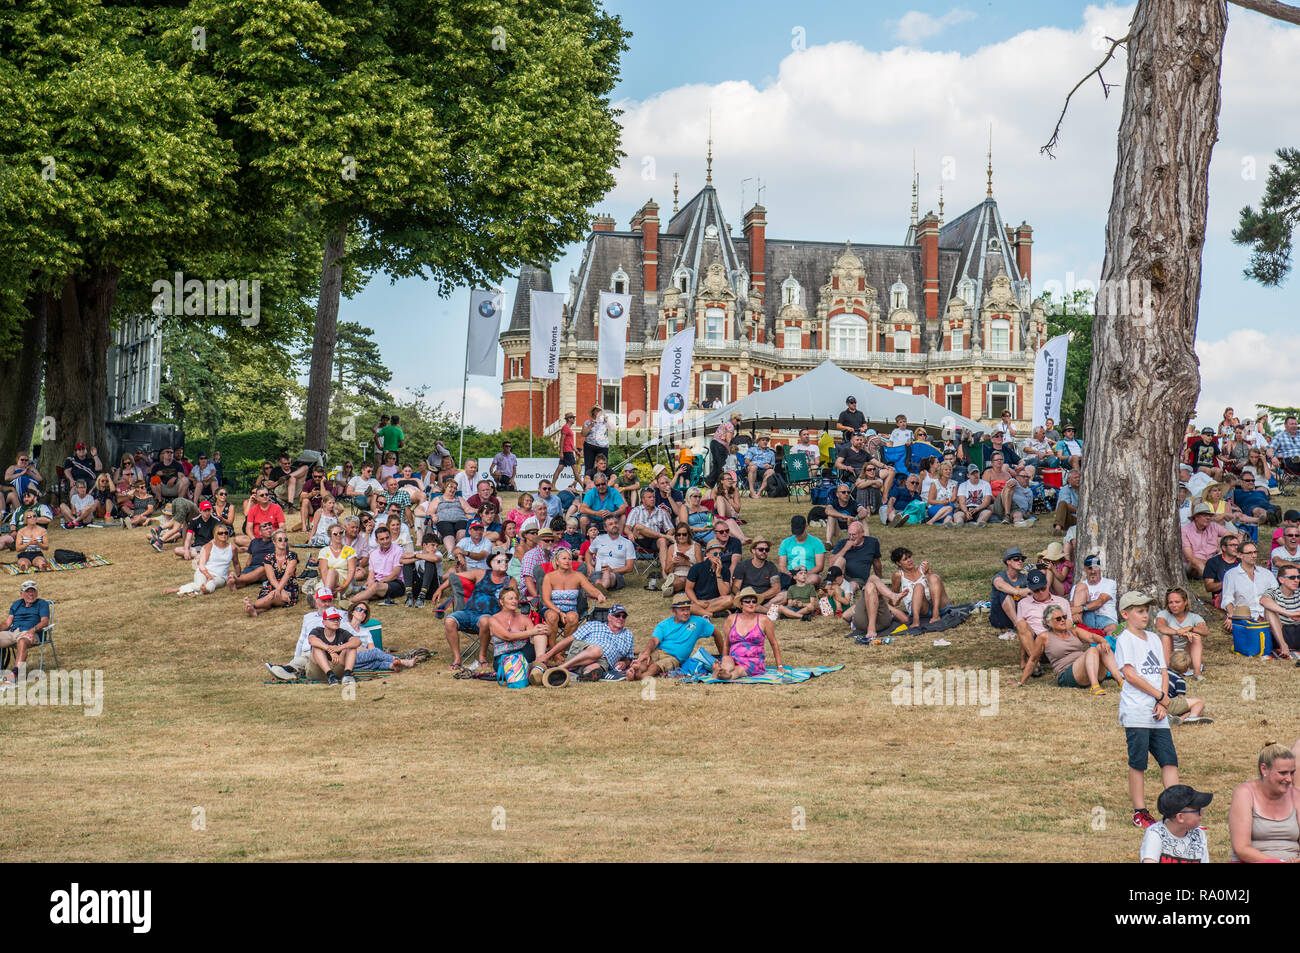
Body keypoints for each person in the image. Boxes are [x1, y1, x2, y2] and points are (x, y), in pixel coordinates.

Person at [1113, 590, 1179, 830]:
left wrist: (1162, 702)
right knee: (1138, 762)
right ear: (1125, 614)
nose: (1145, 615)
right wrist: (1159, 696)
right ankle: (1140, 811)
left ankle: (1176, 811)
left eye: (1146, 610)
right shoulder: (1124, 640)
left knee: (1169, 760)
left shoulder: (1153, 638)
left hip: (1157, 712)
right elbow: (1129, 675)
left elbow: (1163, 670)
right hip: (1137, 712)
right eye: (1139, 611)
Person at [444, 551, 515, 671]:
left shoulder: (509, 581)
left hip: (490, 616)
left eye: (506, 561)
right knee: (450, 620)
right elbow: (456, 577)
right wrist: (440, 589)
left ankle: (482, 655)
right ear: (491, 564)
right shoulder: (481, 574)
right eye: (499, 561)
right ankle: (457, 658)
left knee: (485, 621)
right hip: (468, 612)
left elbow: (513, 598)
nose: (504, 563)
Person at [1229, 742, 1300, 862]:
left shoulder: (1296, 796)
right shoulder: (1245, 793)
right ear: (1264, 769)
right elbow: (1241, 848)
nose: (1289, 779)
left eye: (1292, 773)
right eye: (1283, 773)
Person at [626, 595, 719, 680]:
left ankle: (639, 677)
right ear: (674, 611)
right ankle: (634, 670)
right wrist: (646, 653)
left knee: (655, 667)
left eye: (688, 609)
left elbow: (717, 633)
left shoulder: (698, 622)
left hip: (674, 658)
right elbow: (654, 640)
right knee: (644, 661)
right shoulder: (663, 624)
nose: (686, 613)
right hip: (659, 651)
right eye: (682, 610)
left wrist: (724, 654)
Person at [1040, 603, 1122, 695]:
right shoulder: (1044, 637)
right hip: (1067, 675)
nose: (1063, 620)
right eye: (1058, 619)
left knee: (1100, 647)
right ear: (1048, 622)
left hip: (1088, 669)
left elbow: (1091, 636)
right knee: (1092, 649)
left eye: (1064, 617)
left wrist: (1103, 640)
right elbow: (1033, 659)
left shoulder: (1073, 630)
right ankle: (1095, 686)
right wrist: (1022, 681)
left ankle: (1120, 681)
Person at [1011, 569, 1073, 686]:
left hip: (1056, 642)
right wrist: (1022, 660)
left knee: (1066, 624)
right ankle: (1035, 664)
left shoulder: (1062, 602)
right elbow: (1022, 632)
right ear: (1030, 589)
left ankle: (1039, 662)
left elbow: (1069, 625)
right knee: (1021, 624)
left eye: (1043, 588)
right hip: (1035, 645)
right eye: (1036, 590)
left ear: (1047, 585)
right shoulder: (1023, 604)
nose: (1040, 592)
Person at [541, 604, 635, 680]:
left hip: (604, 662)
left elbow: (628, 658)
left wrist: (624, 663)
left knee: (593, 670)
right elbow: (569, 639)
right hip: (583, 650)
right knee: (597, 651)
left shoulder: (628, 635)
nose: (621, 618)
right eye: (617, 615)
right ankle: (562, 668)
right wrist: (547, 655)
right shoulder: (594, 625)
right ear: (609, 617)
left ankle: (578, 675)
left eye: (624, 616)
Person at [712, 587, 784, 679]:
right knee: (726, 659)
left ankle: (725, 674)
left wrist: (780, 666)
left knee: (738, 670)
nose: (751, 604)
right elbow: (726, 644)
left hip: (754, 661)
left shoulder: (764, 620)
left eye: (754, 602)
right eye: (747, 601)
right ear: (741, 604)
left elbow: (774, 643)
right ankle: (723, 671)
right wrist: (724, 659)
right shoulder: (731, 619)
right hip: (734, 658)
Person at [540, 545, 606, 645]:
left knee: (573, 617)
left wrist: (599, 594)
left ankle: (562, 650)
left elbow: (590, 589)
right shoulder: (549, 577)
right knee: (552, 616)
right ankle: (553, 648)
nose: (567, 561)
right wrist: (560, 612)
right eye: (564, 558)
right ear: (557, 561)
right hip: (552, 609)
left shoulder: (577, 576)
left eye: (570, 559)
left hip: (571, 609)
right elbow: (546, 600)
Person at [1220, 540, 1278, 640]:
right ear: (1240, 555)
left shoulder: (1266, 573)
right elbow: (1227, 599)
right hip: (1245, 616)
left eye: (1255, 552)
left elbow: (1276, 593)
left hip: (1267, 614)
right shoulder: (1231, 575)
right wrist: (1232, 616)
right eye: (1249, 553)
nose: (1254, 556)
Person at [1139, 785, 1213, 863]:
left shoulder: (1199, 835)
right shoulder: (1156, 833)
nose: (1202, 813)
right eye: (1198, 810)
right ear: (1180, 817)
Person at [0, 580, 51, 689]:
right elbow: (7, 623)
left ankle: (15, 674)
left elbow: (45, 621)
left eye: (33, 591)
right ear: (21, 593)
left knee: (22, 641)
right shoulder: (16, 604)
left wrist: (32, 630)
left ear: (36, 593)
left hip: (32, 633)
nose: (31, 594)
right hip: (14, 632)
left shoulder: (42, 604)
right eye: (27, 592)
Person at [164, 523, 239, 596]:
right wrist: (208, 575)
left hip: (220, 576)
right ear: (215, 535)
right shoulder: (209, 546)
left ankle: (205, 590)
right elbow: (201, 564)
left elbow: (236, 563)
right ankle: (177, 589)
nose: (224, 535)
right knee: (199, 584)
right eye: (220, 533)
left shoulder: (232, 548)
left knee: (212, 582)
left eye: (226, 533)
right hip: (204, 571)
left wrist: (239, 578)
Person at [242, 530, 300, 616]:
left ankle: (253, 606)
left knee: (269, 598)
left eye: (285, 540)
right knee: (271, 597)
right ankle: (255, 611)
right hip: (273, 585)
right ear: (274, 541)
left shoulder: (292, 556)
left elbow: (288, 574)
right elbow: (271, 577)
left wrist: (279, 590)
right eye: (280, 540)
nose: (283, 542)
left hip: (289, 585)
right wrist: (279, 590)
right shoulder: (268, 558)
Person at [887, 547, 949, 628]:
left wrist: (928, 572)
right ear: (898, 563)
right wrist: (898, 599)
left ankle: (935, 614)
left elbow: (936, 585)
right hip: (922, 609)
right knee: (918, 586)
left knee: (934, 577)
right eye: (905, 559)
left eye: (909, 557)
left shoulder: (922, 568)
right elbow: (893, 600)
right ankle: (916, 620)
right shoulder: (898, 575)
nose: (909, 560)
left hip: (938, 606)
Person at [1071, 553, 1118, 639]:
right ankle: (1079, 629)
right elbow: (1071, 605)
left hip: (1105, 619)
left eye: (1095, 568)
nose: (1093, 571)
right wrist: (1075, 613)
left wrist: (1081, 608)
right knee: (1081, 586)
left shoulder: (1109, 583)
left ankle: (1107, 647)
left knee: (1113, 629)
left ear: (1100, 568)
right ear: (1085, 569)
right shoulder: (1078, 586)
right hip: (1085, 619)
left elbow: (1100, 601)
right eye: (1090, 568)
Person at [624, 488, 674, 568]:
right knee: (638, 526)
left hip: (655, 540)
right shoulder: (636, 511)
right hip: (640, 539)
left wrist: (667, 538)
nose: (652, 499)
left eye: (654, 497)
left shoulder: (660, 511)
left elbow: (671, 529)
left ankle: (665, 572)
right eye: (649, 497)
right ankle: (664, 536)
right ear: (643, 499)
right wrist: (629, 533)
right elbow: (627, 528)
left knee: (662, 541)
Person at [685, 539, 735, 617]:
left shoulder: (725, 570)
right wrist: (697, 602)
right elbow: (688, 588)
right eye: (715, 554)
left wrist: (718, 574)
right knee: (689, 607)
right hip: (699, 600)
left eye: (720, 554)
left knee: (730, 599)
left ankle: (700, 613)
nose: (718, 556)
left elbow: (724, 593)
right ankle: (713, 614)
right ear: (707, 554)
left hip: (716, 600)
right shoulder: (696, 568)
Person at [587, 513, 636, 591]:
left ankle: (597, 589)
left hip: (616, 575)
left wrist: (611, 570)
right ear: (605, 528)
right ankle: (601, 588)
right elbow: (588, 553)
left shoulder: (627, 543)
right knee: (597, 579)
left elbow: (630, 568)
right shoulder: (599, 539)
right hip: (598, 573)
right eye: (611, 524)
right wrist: (589, 565)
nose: (614, 525)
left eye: (616, 523)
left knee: (607, 574)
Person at [1261, 563, 1300, 661]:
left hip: (1297, 632)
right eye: (1292, 577)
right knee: (1270, 609)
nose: (1296, 580)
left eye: (1298, 577)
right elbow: (1263, 601)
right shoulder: (1274, 592)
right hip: (1280, 634)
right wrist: (1289, 613)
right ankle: (1283, 646)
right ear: (1281, 579)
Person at [828, 520, 883, 590]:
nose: (851, 537)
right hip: (841, 575)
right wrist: (845, 548)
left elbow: (876, 562)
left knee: (852, 585)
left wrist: (880, 578)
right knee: (840, 559)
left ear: (862, 533)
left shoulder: (872, 542)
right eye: (849, 534)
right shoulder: (842, 543)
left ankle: (842, 592)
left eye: (854, 534)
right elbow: (831, 564)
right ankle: (831, 585)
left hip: (858, 579)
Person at [732, 538, 786, 608]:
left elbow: (776, 588)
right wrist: (739, 594)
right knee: (733, 599)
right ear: (753, 550)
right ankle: (765, 611)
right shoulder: (742, 565)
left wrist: (760, 597)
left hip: (765, 598)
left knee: (784, 595)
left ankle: (759, 609)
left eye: (767, 550)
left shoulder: (771, 566)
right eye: (761, 549)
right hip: (748, 598)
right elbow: (735, 586)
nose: (764, 551)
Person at [778, 514, 826, 586]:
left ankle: (793, 586)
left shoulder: (816, 542)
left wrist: (803, 574)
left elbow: (820, 567)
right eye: (795, 533)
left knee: (815, 578)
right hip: (791, 575)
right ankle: (795, 585)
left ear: (806, 527)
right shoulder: (785, 542)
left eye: (800, 532)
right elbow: (782, 565)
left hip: (808, 574)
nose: (798, 535)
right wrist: (786, 572)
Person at [227, 521, 276, 591]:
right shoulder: (254, 542)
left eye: (270, 528)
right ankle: (236, 585)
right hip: (252, 567)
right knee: (248, 575)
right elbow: (250, 558)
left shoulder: (277, 542)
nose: (269, 530)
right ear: (260, 532)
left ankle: (237, 580)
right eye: (266, 529)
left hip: (266, 568)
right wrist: (246, 568)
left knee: (262, 569)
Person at [315, 525, 359, 594]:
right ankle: (325, 595)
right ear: (330, 535)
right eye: (335, 534)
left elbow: (352, 570)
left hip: (344, 581)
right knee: (319, 591)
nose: (338, 535)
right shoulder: (324, 551)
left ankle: (326, 594)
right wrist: (327, 583)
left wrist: (345, 585)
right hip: (327, 579)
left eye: (341, 533)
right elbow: (323, 571)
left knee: (332, 571)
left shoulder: (350, 550)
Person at [1202, 532, 1241, 608]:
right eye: (1232, 545)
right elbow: (1208, 587)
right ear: (1224, 548)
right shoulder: (1213, 562)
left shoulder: (1241, 562)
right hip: (1221, 596)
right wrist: (1227, 582)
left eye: (1237, 545)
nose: (1236, 547)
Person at [706, 412, 741, 489]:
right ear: (733, 419)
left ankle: (709, 483)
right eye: (738, 420)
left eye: (739, 420)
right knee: (722, 466)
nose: (739, 422)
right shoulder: (730, 426)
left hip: (714, 443)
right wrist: (729, 450)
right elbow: (728, 439)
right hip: (720, 445)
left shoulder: (726, 423)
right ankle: (720, 486)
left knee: (716, 466)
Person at [552, 412, 582, 487]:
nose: (574, 419)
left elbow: (570, 443)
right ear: (569, 419)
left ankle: (553, 485)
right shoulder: (565, 428)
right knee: (575, 470)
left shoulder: (568, 428)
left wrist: (576, 451)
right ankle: (583, 486)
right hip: (567, 452)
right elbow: (561, 440)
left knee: (559, 469)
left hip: (568, 451)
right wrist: (561, 452)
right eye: (573, 418)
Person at [580, 405, 610, 478]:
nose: (598, 412)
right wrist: (590, 425)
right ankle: (587, 486)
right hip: (590, 446)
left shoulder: (604, 422)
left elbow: (613, 430)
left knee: (603, 465)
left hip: (603, 447)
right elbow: (583, 434)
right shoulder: (588, 422)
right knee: (589, 466)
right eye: (596, 410)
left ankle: (603, 484)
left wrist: (607, 421)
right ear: (593, 412)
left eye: (600, 411)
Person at [745, 434, 777, 499]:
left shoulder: (771, 453)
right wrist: (751, 463)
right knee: (753, 467)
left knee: (771, 471)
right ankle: (752, 491)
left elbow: (773, 465)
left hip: (764, 470)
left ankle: (759, 492)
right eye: (763, 440)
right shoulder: (752, 449)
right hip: (752, 469)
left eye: (766, 440)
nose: (765, 442)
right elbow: (746, 460)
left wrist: (769, 466)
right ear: (758, 442)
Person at [1053, 468, 1081, 533]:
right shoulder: (1065, 489)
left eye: (1079, 477)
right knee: (1062, 503)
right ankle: (1058, 529)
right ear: (1069, 480)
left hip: (1082, 518)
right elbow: (1066, 505)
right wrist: (1079, 511)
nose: (1078, 479)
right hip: (1069, 518)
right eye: (1075, 478)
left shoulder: (1085, 488)